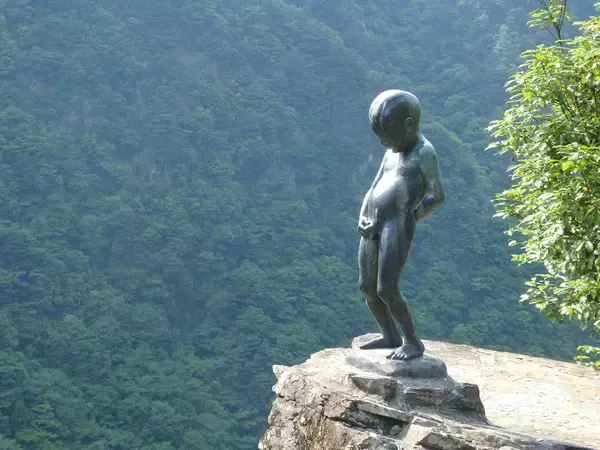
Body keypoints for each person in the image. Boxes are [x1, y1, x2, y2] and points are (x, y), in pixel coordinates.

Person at [357, 90, 445, 360]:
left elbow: (437, 195)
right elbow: (373, 186)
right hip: (372, 223)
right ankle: (389, 335)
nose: (383, 141)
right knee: (367, 286)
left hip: (396, 225)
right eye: (379, 136)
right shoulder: (390, 153)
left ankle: (412, 342)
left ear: (408, 125)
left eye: (387, 135)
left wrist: (410, 217)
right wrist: (364, 213)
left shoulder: (424, 152)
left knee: (386, 288)